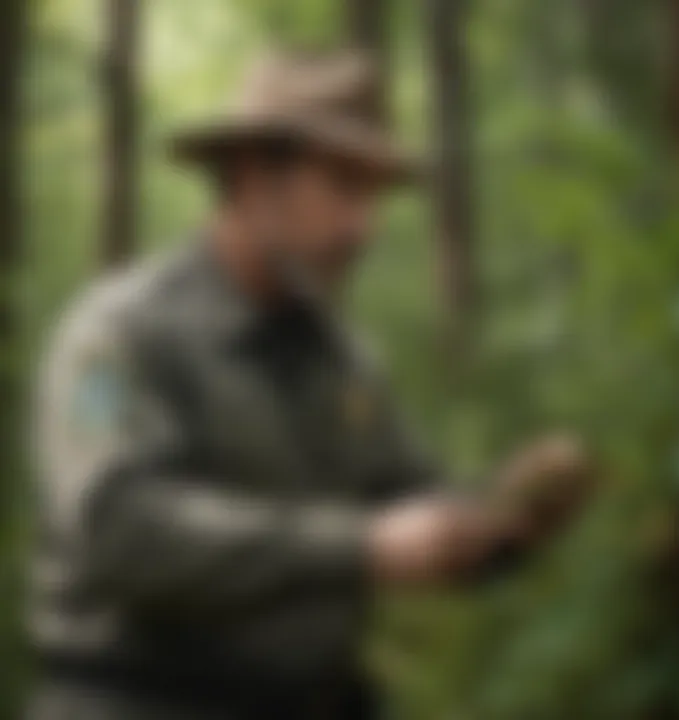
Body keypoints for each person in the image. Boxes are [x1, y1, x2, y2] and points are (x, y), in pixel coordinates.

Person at [29, 49, 592, 720]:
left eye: (375, 195)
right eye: (344, 188)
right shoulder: (121, 332)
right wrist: (360, 547)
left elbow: (406, 502)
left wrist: (504, 518)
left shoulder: (342, 359)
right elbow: (120, 531)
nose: (366, 227)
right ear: (250, 174)